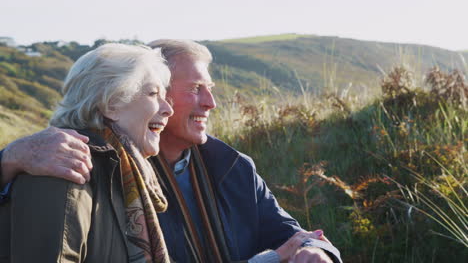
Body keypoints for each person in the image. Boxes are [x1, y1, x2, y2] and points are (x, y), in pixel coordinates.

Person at [0, 40, 342, 263]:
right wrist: (7, 160)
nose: (212, 103)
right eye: (194, 89)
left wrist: (315, 252)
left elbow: (296, 237)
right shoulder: (69, 166)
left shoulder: (232, 167)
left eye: (209, 89)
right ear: (114, 101)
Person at [0, 43, 175, 262]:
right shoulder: (64, 163)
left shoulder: (126, 171)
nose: (168, 109)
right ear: (111, 103)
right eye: (153, 94)